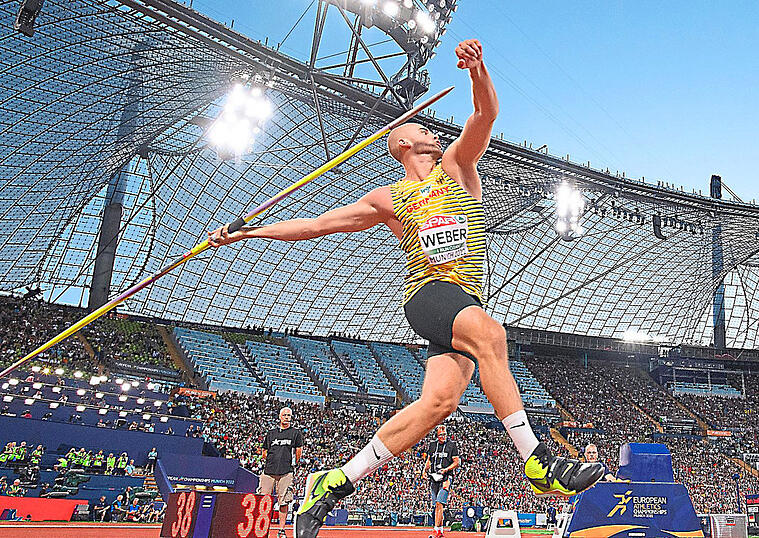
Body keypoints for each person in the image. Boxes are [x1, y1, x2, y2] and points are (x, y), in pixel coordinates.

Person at [208, 38, 603, 538]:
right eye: (423, 129)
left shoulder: (456, 168)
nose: (433, 133)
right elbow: (316, 226)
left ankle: (332, 483)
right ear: (401, 144)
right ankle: (538, 460)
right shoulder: (389, 198)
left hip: (464, 299)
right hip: (429, 294)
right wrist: (248, 232)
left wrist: (478, 71)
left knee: (438, 404)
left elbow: (485, 114)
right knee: (493, 336)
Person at [258, 407, 303, 538]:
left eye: (289, 415)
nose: (287, 417)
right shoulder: (271, 433)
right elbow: (264, 450)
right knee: (264, 501)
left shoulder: (295, 433)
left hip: (286, 471)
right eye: (284, 415)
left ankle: (281, 530)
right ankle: (262, 529)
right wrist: (270, 460)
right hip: (268, 471)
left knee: (284, 502)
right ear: (279, 416)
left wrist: (293, 463)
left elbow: (298, 450)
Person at [421, 424, 459, 538]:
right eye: (441, 435)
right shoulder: (433, 445)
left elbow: (456, 462)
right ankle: (440, 530)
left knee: (439, 503)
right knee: (436, 506)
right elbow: (429, 460)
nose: (443, 437)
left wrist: (446, 469)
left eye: (445, 434)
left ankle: (436, 530)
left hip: (446, 477)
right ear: (437, 436)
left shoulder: (452, 445)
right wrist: (424, 471)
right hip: (434, 477)